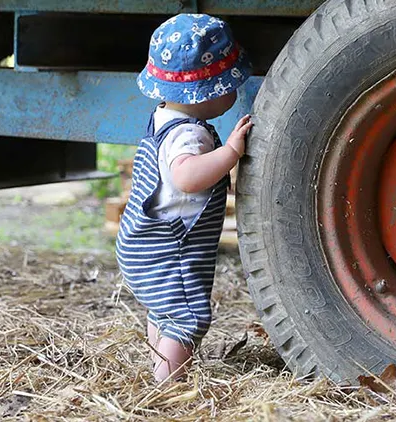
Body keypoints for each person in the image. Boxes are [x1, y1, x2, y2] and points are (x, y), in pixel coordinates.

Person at [116, 13, 253, 382]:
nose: (235, 90)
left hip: (141, 244)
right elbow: (187, 177)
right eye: (230, 84)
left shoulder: (163, 119)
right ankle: (168, 385)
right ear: (208, 90)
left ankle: (160, 368)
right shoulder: (189, 136)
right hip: (168, 250)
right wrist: (231, 153)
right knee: (187, 318)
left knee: (163, 313)